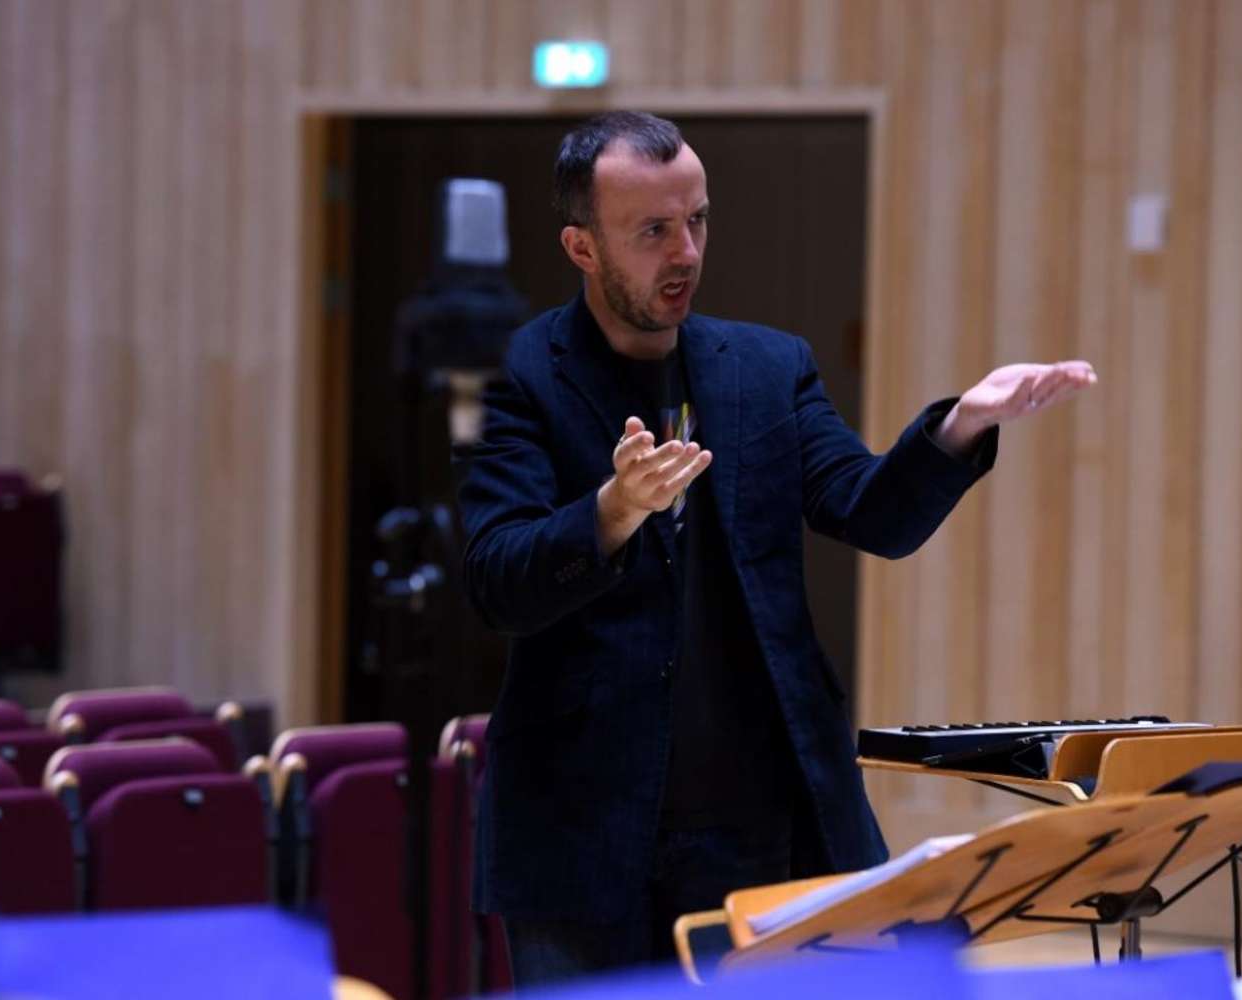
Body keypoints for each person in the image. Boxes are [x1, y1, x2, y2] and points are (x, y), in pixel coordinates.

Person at [458, 110, 1096, 987]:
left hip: (763, 823)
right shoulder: (517, 377)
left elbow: (874, 515)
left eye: (698, 220)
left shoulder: (767, 368)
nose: (685, 251)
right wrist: (611, 512)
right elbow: (497, 581)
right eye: (653, 230)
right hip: (583, 833)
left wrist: (961, 425)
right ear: (581, 246)